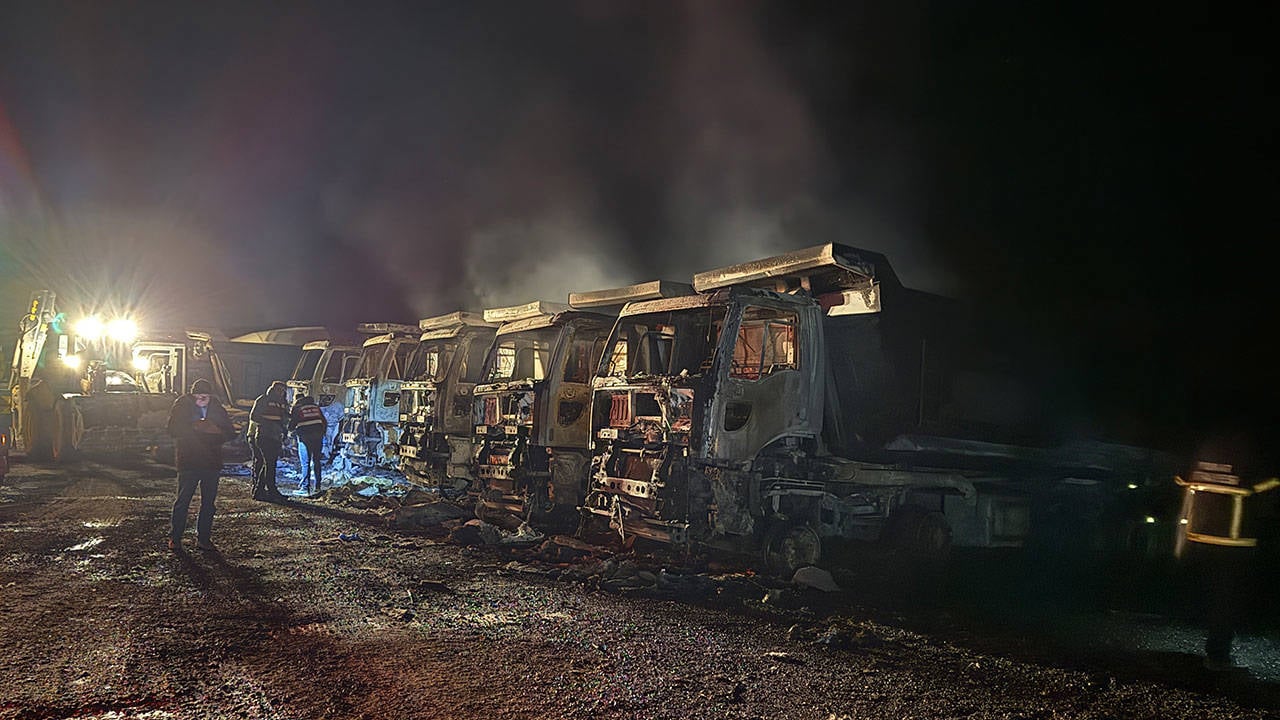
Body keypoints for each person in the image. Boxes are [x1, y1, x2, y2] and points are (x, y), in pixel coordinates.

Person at [1175, 433, 1279, 671]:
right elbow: (1265, 486)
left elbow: (1182, 477)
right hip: (1234, 541)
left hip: (1198, 534)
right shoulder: (1251, 455)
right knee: (1226, 598)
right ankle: (1217, 656)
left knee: (1209, 592)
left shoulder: (1203, 447)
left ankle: (1203, 647)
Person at [166, 378, 236, 552]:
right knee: (183, 501)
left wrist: (216, 431)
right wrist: (195, 428)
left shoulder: (217, 409)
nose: (202, 399)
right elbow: (172, 429)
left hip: (211, 463)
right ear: (192, 395)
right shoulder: (182, 406)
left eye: (205, 396)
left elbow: (230, 433)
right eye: (199, 396)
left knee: (208, 503)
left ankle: (203, 538)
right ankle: (175, 538)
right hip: (189, 461)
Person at [249, 381, 290, 502]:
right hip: (264, 436)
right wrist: (271, 423)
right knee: (269, 464)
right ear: (272, 389)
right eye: (278, 390)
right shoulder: (263, 400)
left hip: (275, 437)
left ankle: (260, 490)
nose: (281, 392)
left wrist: (284, 431)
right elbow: (254, 416)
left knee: (269, 464)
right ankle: (270, 490)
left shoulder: (282, 403)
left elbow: (284, 418)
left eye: (283, 390)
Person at [289, 395, 328, 496]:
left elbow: (291, 425)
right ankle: (317, 487)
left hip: (305, 437)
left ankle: (305, 488)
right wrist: (321, 433)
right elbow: (324, 422)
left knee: (305, 463)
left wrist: (291, 431)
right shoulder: (316, 408)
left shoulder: (298, 408)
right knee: (316, 461)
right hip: (318, 437)